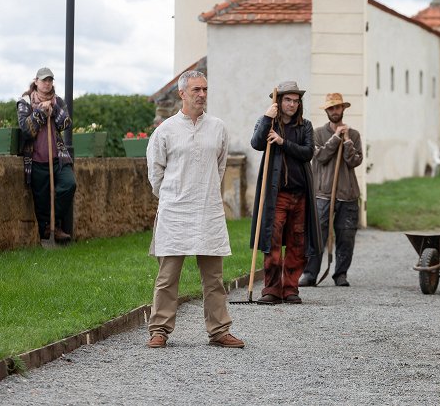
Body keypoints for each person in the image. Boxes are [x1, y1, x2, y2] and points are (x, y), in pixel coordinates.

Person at [145, 70, 244, 349]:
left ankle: (219, 330)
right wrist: (173, 197)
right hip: (175, 211)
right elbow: (156, 174)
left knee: (214, 278)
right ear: (182, 94)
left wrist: (206, 192)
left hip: (208, 210)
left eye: (205, 90)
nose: (202, 95)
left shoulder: (217, 128)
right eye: (196, 90)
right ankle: (160, 330)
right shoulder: (165, 131)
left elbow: (220, 166)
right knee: (167, 277)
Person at [250, 81, 322, 304]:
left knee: (297, 243)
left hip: (299, 195)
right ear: (278, 102)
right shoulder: (269, 124)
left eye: (296, 100)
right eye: (288, 100)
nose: (292, 104)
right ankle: (272, 290)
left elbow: (307, 152)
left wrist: (282, 142)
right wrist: (265, 118)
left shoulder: (305, 126)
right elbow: (256, 143)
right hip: (276, 196)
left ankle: (291, 288)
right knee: (272, 241)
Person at [299, 93, 363, 287]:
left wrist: (347, 141)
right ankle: (310, 274)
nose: (334, 111)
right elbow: (320, 157)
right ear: (326, 111)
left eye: (337, 108)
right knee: (317, 235)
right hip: (323, 194)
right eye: (331, 108)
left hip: (348, 194)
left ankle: (341, 274)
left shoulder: (354, 134)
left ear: (343, 109)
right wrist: (336, 138)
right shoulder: (317, 133)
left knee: (346, 236)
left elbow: (355, 161)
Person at [16, 67, 76, 243]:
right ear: (36, 82)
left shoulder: (58, 101)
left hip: (58, 158)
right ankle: (47, 232)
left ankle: (52, 224)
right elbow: (26, 130)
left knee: (69, 184)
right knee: (41, 201)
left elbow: (66, 123)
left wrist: (54, 109)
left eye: (50, 80)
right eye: (44, 80)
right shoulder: (25, 101)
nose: (47, 84)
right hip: (35, 160)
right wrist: (41, 112)